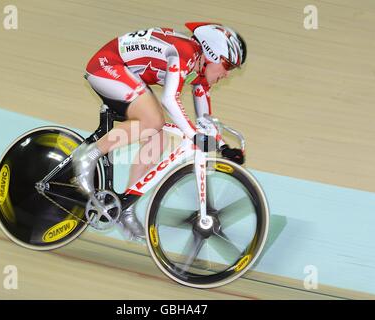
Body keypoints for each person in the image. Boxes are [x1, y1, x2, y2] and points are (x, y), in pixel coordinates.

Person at [73, 22, 246, 241]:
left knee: (159, 138)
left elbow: (204, 122)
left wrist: (223, 147)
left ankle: (126, 206)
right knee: (153, 121)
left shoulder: (199, 70)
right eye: (227, 65)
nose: (227, 74)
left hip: (125, 75)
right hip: (106, 66)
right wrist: (194, 135)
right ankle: (88, 156)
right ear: (211, 53)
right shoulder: (184, 52)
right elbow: (170, 99)